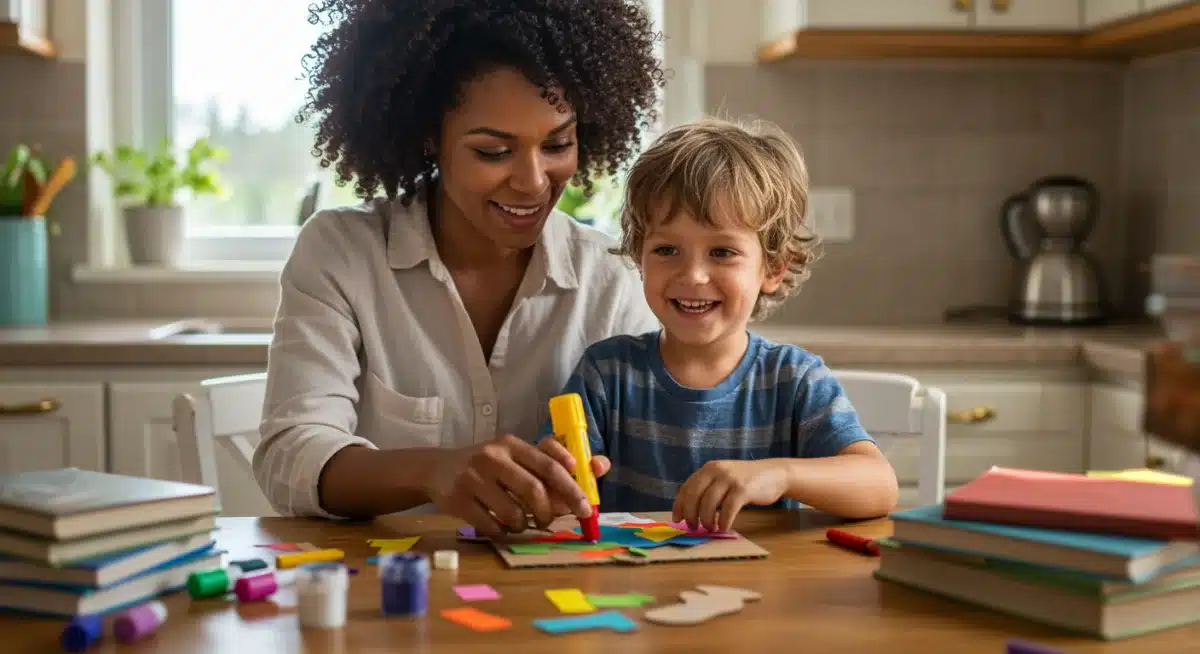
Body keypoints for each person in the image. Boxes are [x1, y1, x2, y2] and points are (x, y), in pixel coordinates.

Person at [252, 0, 664, 537]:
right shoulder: (342, 253)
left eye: (558, 144)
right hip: (391, 590)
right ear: (430, 136)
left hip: (559, 590)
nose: (534, 181)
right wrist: (434, 470)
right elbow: (291, 455)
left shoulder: (612, 277)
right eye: (493, 151)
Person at [536, 118, 900, 533]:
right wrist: (554, 483)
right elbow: (555, 494)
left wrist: (778, 474)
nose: (693, 276)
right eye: (667, 249)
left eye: (723, 252)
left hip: (762, 590)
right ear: (640, 258)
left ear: (774, 268)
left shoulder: (795, 379)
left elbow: (880, 486)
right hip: (634, 588)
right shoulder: (607, 372)